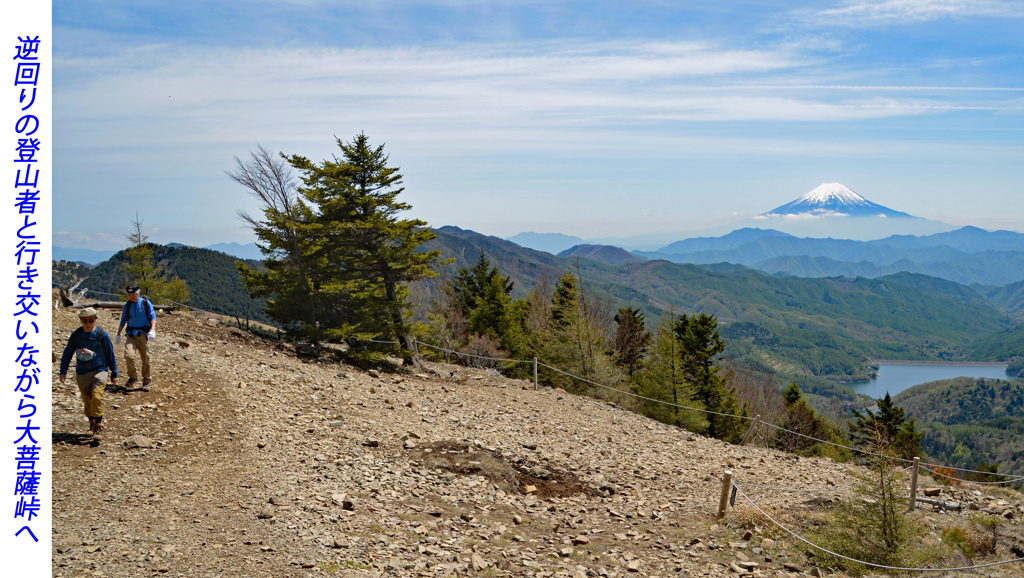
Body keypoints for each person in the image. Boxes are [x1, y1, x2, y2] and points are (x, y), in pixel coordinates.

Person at [59, 307, 118, 440]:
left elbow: (110, 354)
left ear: (95, 320)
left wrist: (114, 372)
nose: (88, 323)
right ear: (81, 320)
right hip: (82, 372)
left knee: (96, 397)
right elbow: (67, 353)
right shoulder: (77, 335)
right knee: (87, 401)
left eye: (91, 320)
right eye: (85, 321)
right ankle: (91, 423)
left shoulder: (102, 334)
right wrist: (63, 370)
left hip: (100, 370)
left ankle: (98, 426)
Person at [116, 285, 157, 391]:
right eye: (129, 294)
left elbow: (152, 317)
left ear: (137, 293)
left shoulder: (145, 303)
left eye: (132, 294)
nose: (130, 296)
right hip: (131, 335)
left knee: (145, 359)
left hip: (143, 335)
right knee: (128, 355)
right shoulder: (127, 305)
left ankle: (146, 381)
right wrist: (118, 334)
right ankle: (132, 377)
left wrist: (152, 330)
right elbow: (123, 320)